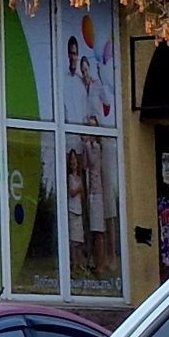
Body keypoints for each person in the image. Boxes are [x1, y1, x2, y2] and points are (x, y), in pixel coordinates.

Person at [82, 135, 106, 273]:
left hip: (97, 192)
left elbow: (91, 162)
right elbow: (85, 165)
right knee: (92, 230)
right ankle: (93, 261)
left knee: (98, 231)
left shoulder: (95, 147)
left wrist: (86, 145)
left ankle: (101, 264)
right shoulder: (89, 147)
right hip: (91, 191)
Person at [66, 148, 86, 273]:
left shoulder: (79, 178)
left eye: (75, 159)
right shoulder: (70, 178)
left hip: (79, 210)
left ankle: (79, 263)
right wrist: (79, 188)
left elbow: (82, 195)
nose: (73, 162)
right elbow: (72, 192)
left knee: (79, 240)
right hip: (72, 209)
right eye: (71, 160)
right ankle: (73, 263)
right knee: (73, 240)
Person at [61, 37, 85, 123]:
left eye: (74, 54)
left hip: (79, 129)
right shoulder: (62, 79)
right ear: (68, 55)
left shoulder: (81, 82)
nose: (72, 57)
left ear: (77, 55)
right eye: (71, 53)